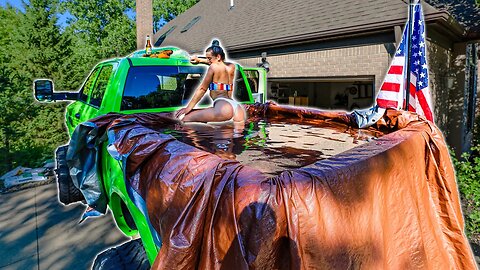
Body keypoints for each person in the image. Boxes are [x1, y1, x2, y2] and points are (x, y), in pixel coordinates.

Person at [174, 40, 246, 126]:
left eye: (209, 58)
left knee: (185, 119)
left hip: (223, 106)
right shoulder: (231, 67)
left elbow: (202, 89)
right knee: (235, 137)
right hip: (236, 107)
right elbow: (219, 64)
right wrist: (200, 60)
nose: (208, 61)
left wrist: (188, 108)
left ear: (218, 57)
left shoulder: (213, 67)